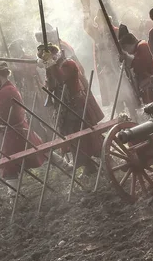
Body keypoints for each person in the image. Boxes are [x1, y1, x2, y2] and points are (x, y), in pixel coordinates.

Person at [0, 62, 45, 191]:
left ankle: (12, 195)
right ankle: (65, 165)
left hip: (14, 132)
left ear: (0, 77)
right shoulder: (6, 89)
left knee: (9, 165)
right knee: (40, 150)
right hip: (17, 130)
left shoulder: (6, 91)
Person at [38, 43, 104, 174]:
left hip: (77, 105)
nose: (45, 60)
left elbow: (62, 78)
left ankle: (105, 156)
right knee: (73, 138)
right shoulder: (51, 67)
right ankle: (88, 166)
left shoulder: (68, 64)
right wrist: (48, 67)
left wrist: (50, 64)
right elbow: (51, 85)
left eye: (46, 57)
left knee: (89, 135)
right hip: (64, 109)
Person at [118, 25, 153, 103]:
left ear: (127, 46)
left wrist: (127, 58)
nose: (127, 52)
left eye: (126, 49)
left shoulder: (142, 47)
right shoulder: (140, 47)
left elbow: (140, 67)